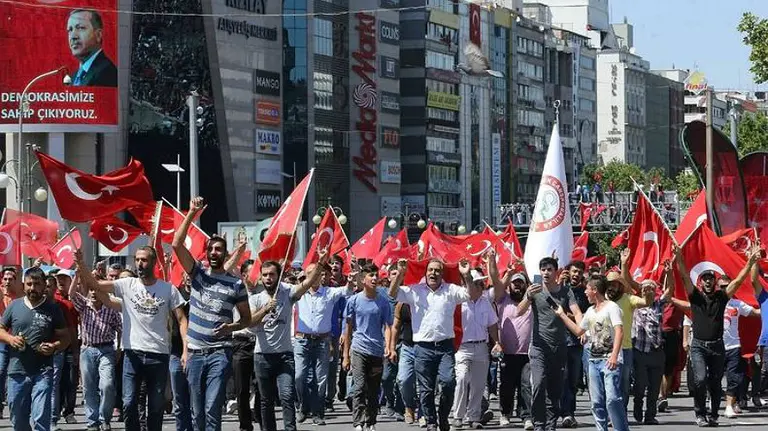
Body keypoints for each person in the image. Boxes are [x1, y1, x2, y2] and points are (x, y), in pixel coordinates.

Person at [76, 247, 189, 431]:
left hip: (158, 356)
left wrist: (185, 350)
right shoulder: (127, 284)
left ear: (153, 262)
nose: (139, 264)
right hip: (132, 355)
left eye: (144, 260)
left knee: (155, 406)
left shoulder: (168, 289)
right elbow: (95, 285)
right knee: (128, 403)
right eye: (137, 260)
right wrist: (81, 263)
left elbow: (182, 320)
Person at [172, 197, 252, 431]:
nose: (214, 252)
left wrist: (231, 328)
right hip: (195, 355)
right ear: (206, 253)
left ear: (225, 254)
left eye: (219, 249)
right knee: (197, 414)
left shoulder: (235, 285)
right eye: (211, 249)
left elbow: (246, 319)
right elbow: (177, 244)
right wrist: (192, 213)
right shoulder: (198, 274)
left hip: (220, 354)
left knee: (211, 409)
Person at [674, 243, 759, 427]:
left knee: (715, 383)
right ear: (700, 281)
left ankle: (713, 415)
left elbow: (737, 281)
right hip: (698, 346)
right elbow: (683, 276)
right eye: (704, 278)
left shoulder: (722, 297)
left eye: (710, 279)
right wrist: (679, 257)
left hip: (718, 346)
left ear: (714, 281)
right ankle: (700, 414)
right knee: (700, 379)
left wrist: (751, 261)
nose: (707, 281)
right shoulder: (695, 297)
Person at [387, 258, 473, 431]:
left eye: (437, 270)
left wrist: (466, 275)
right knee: (426, 390)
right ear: (425, 273)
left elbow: (469, 294)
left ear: (442, 274)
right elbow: (392, 294)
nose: (433, 273)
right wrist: (400, 274)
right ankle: (431, 421)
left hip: (445, 347)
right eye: (431, 270)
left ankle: (443, 417)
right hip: (422, 348)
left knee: (449, 382)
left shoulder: (450, 290)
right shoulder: (415, 291)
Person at [249, 252, 328, 431]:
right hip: (262, 356)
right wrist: (265, 310)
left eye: (272, 274)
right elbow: (250, 322)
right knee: (266, 400)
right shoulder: (256, 298)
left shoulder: (287, 293)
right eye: (265, 275)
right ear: (261, 277)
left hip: (285, 356)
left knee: (286, 396)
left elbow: (307, 283)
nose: (269, 278)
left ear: (278, 276)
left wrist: (321, 263)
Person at [515, 257, 583, 431]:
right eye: (543, 269)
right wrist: (528, 297)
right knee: (538, 384)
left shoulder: (566, 291)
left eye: (549, 269)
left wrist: (582, 329)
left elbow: (577, 312)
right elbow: (518, 311)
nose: (545, 272)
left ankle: (550, 425)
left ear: (556, 272)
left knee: (555, 389)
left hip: (560, 347)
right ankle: (539, 424)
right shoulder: (534, 290)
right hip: (538, 347)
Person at [0, 267, 71, 431]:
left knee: (40, 418)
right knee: (18, 419)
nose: (32, 288)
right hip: (17, 371)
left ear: (44, 285)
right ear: (24, 285)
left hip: (43, 371)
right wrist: (11, 339)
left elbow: (65, 337)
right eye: (29, 284)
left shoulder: (53, 308)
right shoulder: (14, 306)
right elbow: (1, 330)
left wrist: (54, 347)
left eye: (37, 284)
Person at [556, 275, 628, 431]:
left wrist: (615, 356)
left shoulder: (612, 307)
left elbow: (619, 331)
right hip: (594, 361)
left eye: (587, 289)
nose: (585, 293)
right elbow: (578, 330)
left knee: (612, 399)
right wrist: (562, 314)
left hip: (610, 360)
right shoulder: (589, 311)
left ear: (595, 290)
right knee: (596, 402)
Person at [294, 260, 354, 425]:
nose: (316, 276)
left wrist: (350, 281)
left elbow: (347, 291)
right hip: (302, 341)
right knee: (300, 376)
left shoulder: (329, 292)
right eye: (311, 273)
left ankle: (318, 412)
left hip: (322, 341)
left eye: (318, 272)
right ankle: (303, 406)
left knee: (321, 379)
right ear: (305, 276)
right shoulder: (298, 293)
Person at [69, 268, 122, 431]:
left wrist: (119, 348)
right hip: (87, 349)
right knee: (89, 387)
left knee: (107, 384)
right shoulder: (84, 305)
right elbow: (71, 295)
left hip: (106, 349)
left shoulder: (110, 308)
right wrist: (77, 276)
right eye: (90, 290)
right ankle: (92, 422)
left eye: (95, 290)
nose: (92, 293)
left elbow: (120, 328)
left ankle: (104, 418)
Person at [342, 262, 392, 431]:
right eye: (371, 276)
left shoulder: (383, 302)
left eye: (376, 275)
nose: (375, 278)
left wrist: (388, 346)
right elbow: (348, 329)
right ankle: (358, 422)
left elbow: (388, 326)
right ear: (363, 280)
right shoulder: (353, 301)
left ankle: (370, 421)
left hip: (377, 351)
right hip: (359, 349)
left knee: (373, 390)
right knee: (359, 387)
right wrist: (346, 356)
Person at [450, 269, 501, 430]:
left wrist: (497, 342)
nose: (481, 286)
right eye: (477, 283)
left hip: (481, 347)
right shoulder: (458, 302)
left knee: (479, 385)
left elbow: (492, 324)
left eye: (481, 283)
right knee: (462, 379)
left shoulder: (485, 301)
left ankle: (473, 417)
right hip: (462, 348)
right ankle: (457, 416)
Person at [487, 252, 533, 429]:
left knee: (525, 385)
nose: (517, 286)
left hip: (527, 353)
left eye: (521, 283)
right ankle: (505, 413)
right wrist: (492, 261)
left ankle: (526, 416)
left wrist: (526, 267)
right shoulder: (502, 299)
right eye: (515, 283)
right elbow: (495, 279)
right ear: (510, 286)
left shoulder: (531, 299)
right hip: (506, 352)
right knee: (507, 385)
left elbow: (540, 284)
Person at [226, 259, 262, 431]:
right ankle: (245, 425)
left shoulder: (266, 293)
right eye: (253, 272)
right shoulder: (236, 291)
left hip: (261, 344)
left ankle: (262, 420)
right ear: (244, 275)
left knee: (261, 386)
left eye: (259, 273)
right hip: (240, 343)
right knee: (242, 389)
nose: (258, 276)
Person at [631, 273, 669, 425]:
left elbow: (670, 290)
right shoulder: (634, 305)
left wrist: (670, 271)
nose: (648, 291)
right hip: (640, 351)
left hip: (657, 352)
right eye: (645, 289)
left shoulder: (659, 305)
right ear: (640, 291)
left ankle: (650, 415)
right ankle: (638, 405)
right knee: (640, 385)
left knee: (654, 388)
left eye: (651, 289)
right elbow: (627, 283)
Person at [561, 261, 589, 428]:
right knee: (559, 379)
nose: (576, 274)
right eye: (573, 271)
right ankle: (557, 412)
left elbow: (587, 315)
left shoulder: (585, 294)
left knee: (572, 380)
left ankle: (568, 413)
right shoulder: (559, 290)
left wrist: (568, 316)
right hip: (558, 342)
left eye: (579, 272)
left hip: (576, 343)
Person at [67, 9, 117, 87]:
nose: (73, 36)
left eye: (80, 28)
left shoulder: (107, 72)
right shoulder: (73, 77)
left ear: (98, 35)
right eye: (70, 30)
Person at [0, 267, 22, 419]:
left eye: (10, 279)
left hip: (16, 339)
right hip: (2, 339)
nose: (7, 281)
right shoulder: (0, 294)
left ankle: (14, 401)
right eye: (5, 279)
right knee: (1, 371)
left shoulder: (19, 296)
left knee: (15, 374)